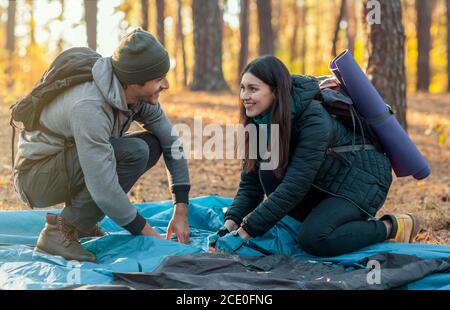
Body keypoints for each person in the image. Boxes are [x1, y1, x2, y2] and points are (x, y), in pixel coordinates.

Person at [208, 55, 420, 257]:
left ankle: (392, 226)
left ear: (276, 91)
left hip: (361, 180)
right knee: (267, 174)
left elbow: (295, 185)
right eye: (243, 88)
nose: (245, 96)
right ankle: (324, 217)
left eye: (253, 89)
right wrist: (230, 225)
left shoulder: (314, 119)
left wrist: (246, 232)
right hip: (323, 179)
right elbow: (250, 186)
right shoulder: (259, 122)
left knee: (313, 238)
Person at [13, 28, 191, 262]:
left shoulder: (138, 97)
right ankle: (59, 231)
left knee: (153, 144)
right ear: (135, 80)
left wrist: (181, 209)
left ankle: (82, 224)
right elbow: (103, 188)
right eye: (158, 79)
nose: (165, 85)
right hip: (36, 177)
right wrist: (150, 235)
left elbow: (171, 143)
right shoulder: (89, 107)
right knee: (135, 152)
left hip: (66, 163)